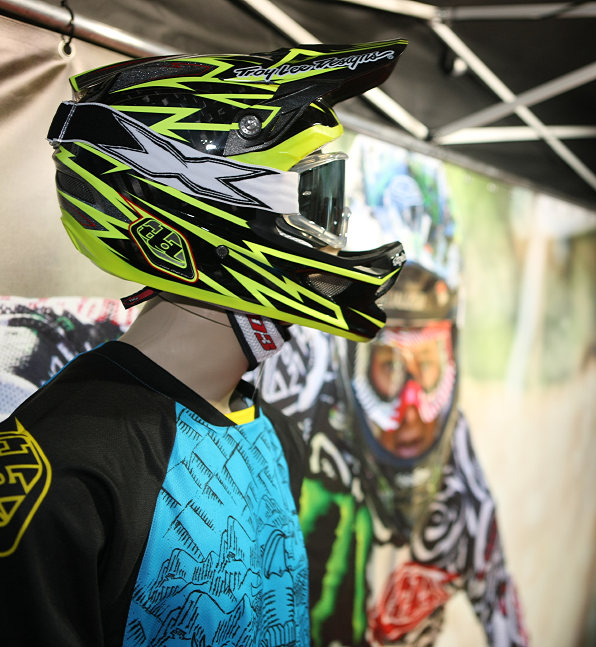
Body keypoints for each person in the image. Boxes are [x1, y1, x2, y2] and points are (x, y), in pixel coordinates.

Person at [0, 40, 408, 646]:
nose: (330, 240)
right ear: (206, 208)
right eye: (313, 200)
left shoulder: (272, 433)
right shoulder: (65, 465)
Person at [258, 261, 528, 646]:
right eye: (390, 367)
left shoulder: (459, 476)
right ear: (355, 368)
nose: (411, 408)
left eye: (428, 366)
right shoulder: (309, 402)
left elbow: (502, 608)